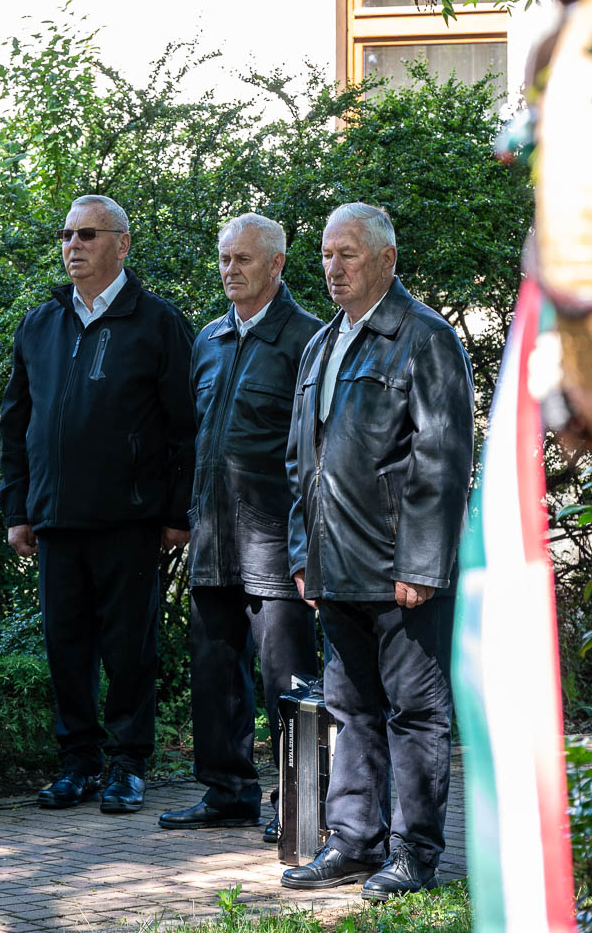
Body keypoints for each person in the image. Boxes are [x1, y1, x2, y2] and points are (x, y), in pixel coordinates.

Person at [279, 203, 473, 900]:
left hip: (399, 569)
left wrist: (420, 564)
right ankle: (353, 841)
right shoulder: (320, 343)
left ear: (387, 259)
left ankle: (414, 854)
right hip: (334, 566)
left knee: (415, 714)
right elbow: (299, 461)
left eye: (349, 254)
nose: (333, 268)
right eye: (327, 255)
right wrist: (302, 553)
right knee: (348, 708)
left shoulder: (425, 337)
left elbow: (442, 461)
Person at [0, 195, 197, 814]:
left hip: (129, 519)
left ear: (122, 244)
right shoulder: (40, 324)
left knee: (130, 650)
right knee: (66, 647)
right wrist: (17, 509)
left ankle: (128, 765)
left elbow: (185, 428)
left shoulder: (157, 322)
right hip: (55, 519)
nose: (73, 245)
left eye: (87, 234)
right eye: (66, 235)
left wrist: (177, 512)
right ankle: (78, 764)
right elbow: (15, 424)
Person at [158, 214, 320, 843]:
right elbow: (193, 437)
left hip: (276, 541)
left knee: (287, 680)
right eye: (225, 259)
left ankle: (301, 802)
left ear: (276, 264)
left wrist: (307, 543)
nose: (231, 270)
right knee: (214, 673)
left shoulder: (307, 339)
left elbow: (315, 453)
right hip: (213, 538)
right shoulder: (209, 339)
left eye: (244, 259)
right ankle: (226, 793)